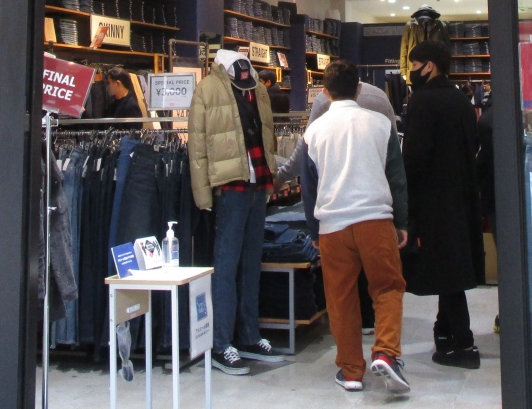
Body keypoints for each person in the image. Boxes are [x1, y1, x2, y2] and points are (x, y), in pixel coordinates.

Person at [302, 61, 410, 393]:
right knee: (387, 288)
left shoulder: (313, 132)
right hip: (375, 218)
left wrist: (313, 230)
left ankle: (350, 371)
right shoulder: (381, 124)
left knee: (340, 297)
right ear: (360, 88)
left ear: (324, 92)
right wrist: (401, 221)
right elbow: (396, 176)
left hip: (333, 225)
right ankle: (386, 352)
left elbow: (309, 186)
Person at [187, 49, 285, 375]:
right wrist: (203, 194)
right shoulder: (208, 89)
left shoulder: (257, 86)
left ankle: (249, 335)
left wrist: (271, 176)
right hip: (230, 185)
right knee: (226, 266)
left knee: (251, 264)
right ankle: (220, 343)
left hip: (258, 182)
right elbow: (197, 146)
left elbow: (267, 134)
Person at [402, 40, 484, 368]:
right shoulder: (462, 100)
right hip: (462, 196)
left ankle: (465, 345)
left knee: (444, 272)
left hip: (433, 201)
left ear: (429, 66)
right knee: (451, 268)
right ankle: (445, 333)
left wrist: (405, 200)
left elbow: (414, 158)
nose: (411, 72)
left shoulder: (422, 101)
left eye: (414, 65)